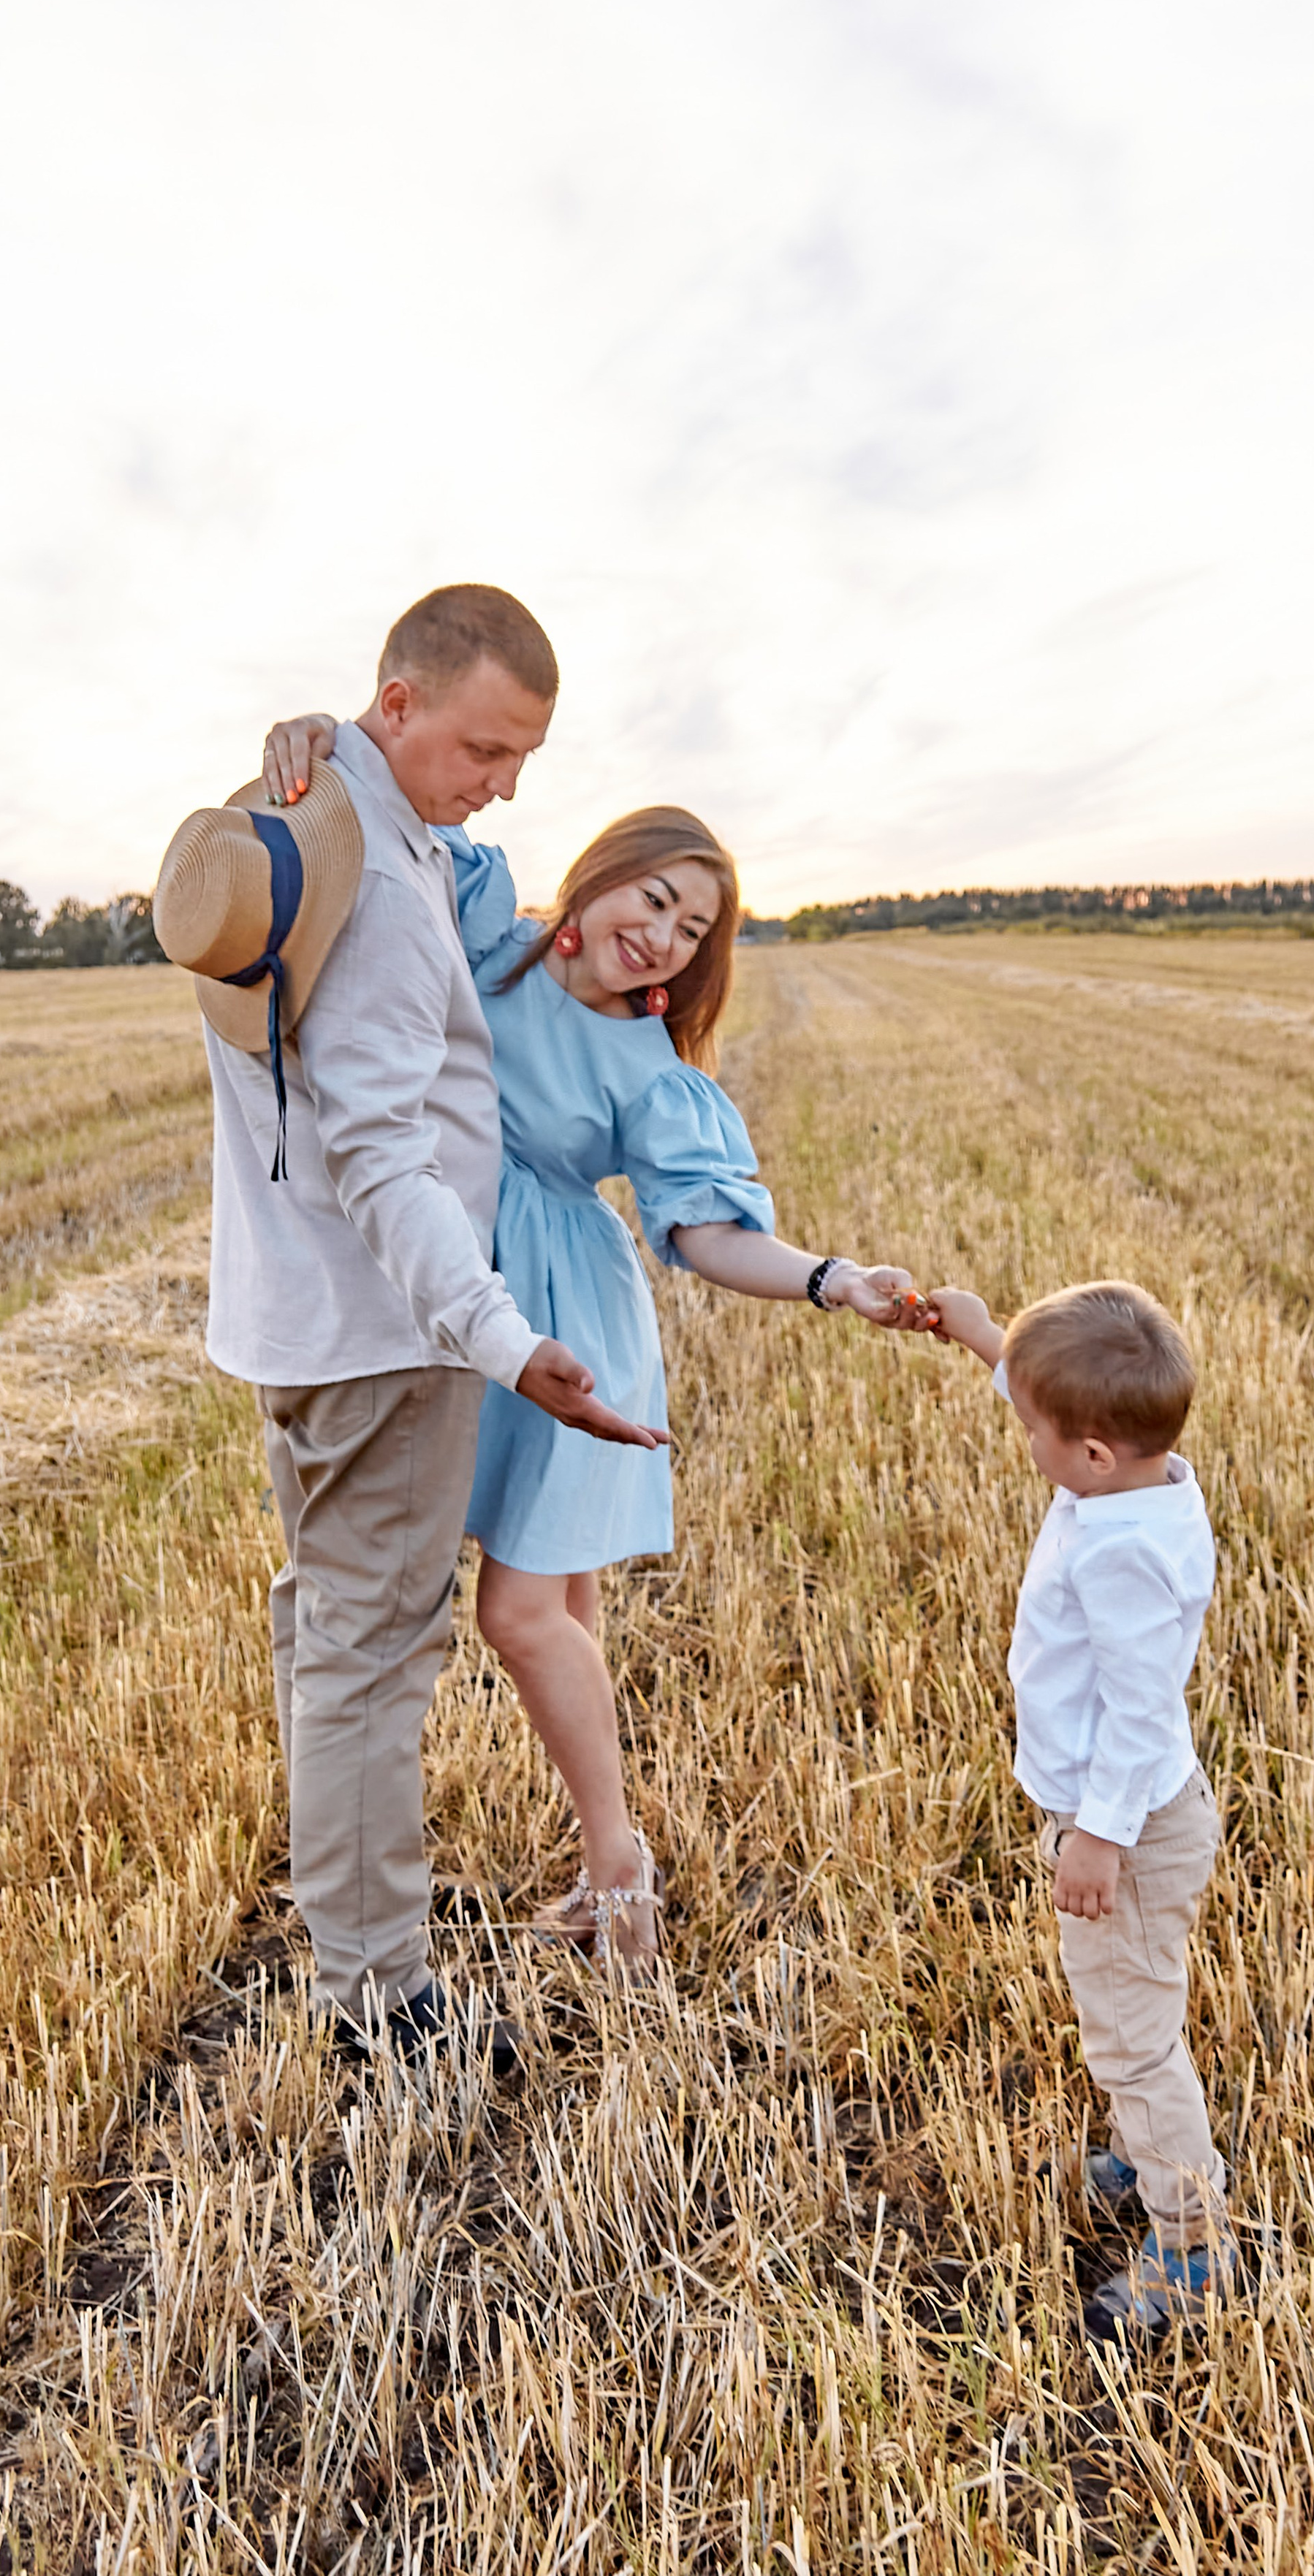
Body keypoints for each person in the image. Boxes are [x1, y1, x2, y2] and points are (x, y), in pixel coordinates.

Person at [262, 712, 927, 1971]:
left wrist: (834, 1280)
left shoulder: (650, 1068)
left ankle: (622, 1867)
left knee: (520, 1614)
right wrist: (321, 735)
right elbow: (389, 825)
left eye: (693, 931)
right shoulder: (484, 936)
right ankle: (601, 1863)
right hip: (464, 1292)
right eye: (659, 899)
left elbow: (706, 1233)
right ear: (607, 870)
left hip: (571, 1316)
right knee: (557, 1601)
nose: (663, 936)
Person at [156, 584, 664, 2077]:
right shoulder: (372, 870)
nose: (504, 781)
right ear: (398, 708)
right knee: (373, 1655)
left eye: (523, 757)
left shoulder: (320, 817)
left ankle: (355, 1912)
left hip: (305, 1311)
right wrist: (506, 1342)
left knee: (335, 1630)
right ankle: (377, 1992)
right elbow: (382, 1155)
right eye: (487, 747)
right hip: (385, 1328)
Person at [924, 1276, 1238, 2343]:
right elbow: (1061, 1397)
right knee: (1129, 2013)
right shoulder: (1132, 1483)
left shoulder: (1125, 1552)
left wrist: (1097, 1836)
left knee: (1135, 2044)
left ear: (1090, 1454)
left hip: (1133, 1832)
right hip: (1130, 1817)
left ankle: (1192, 2246)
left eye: (1030, 1428)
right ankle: (1149, 2154)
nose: (1025, 1437)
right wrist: (985, 1337)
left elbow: (1142, 1713)